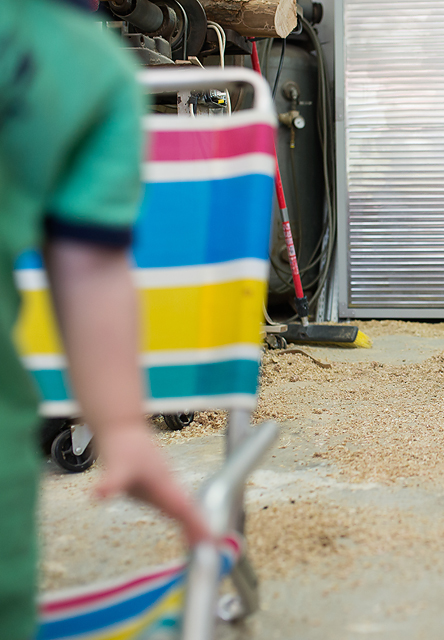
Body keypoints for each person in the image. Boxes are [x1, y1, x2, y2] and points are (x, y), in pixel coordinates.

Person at [0, 1, 208, 638]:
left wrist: (120, 426)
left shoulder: (88, 71)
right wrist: (121, 427)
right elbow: (89, 266)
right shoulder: (89, 69)